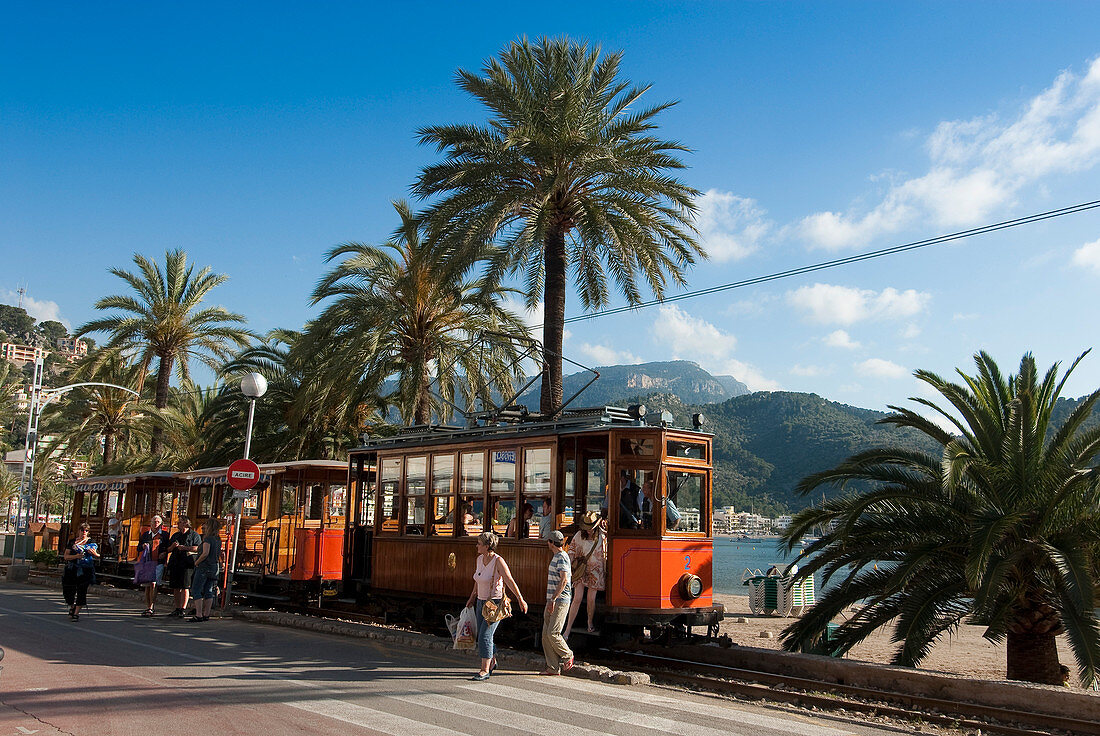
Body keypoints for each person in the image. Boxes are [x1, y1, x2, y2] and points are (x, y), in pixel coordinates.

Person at [466, 531, 527, 681]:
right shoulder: (480, 559)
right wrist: (472, 597)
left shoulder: (498, 561)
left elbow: (509, 580)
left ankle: (484, 670)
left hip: (494, 603)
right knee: (482, 635)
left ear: (487, 546)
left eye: (479, 544)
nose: (476, 546)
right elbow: (478, 579)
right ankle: (492, 660)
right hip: (481, 601)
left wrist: (520, 599)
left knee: (485, 635)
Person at [564, 510, 606, 637]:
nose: (589, 531)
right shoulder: (579, 535)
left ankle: (589, 622)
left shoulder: (602, 536)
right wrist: (569, 568)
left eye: (591, 528)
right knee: (577, 598)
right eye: (587, 528)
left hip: (595, 571)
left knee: (591, 599)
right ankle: (568, 628)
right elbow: (571, 551)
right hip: (582, 570)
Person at [540, 530, 574, 675]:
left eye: (548, 541)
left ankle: (567, 655)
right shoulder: (557, 556)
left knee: (553, 633)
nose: (547, 543)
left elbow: (564, 579)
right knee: (545, 635)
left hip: (559, 600)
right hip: (552, 600)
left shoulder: (561, 557)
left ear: (552, 543)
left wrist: (553, 599)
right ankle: (552, 667)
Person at [165, 516, 202, 618]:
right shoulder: (176, 535)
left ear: (186, 523)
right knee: (176, 587)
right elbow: (167, 549)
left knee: (185, 587)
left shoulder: (194, 535)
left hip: (187, 564)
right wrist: (173, 547)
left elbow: (197, 548)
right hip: (176, 562)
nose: (178, 524)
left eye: (180, 522)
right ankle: (177, 608)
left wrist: (185, 548)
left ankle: (183, 608)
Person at [62, 522, 99, 621]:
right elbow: (66, 556)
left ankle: (76, 613)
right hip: (72, 569)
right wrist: (76, 556)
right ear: (78, 531)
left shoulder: (91, 542)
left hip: (85, 570)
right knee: (68, 591)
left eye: (86, 530)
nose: (84, 532)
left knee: (82, 590)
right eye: (82, 530)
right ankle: (72, 606)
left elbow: (98, 555)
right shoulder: (72, 542)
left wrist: (94, 553)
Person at [188, 517, 222, 622]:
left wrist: (196, 562)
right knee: (209, 590)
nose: (204, 526)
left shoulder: (208, 539)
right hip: (214, 567)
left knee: (197, 590)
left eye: (206, 524)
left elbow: (205, 553)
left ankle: (199, 614)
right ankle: (206, 614)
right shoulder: (218, 539)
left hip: (204, 567)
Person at [137, 514, 170, 616]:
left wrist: (164, 553)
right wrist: (143, 546)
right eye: (154, 522)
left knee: (154, 583)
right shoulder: (146, 535)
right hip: (147, 563)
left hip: (158, 563)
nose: (156, 524)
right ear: (150, 523)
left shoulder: (165, 535)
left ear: (161, 524)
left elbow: (168, 548)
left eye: (158, 522)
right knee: (147, 585)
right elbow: (138, 548)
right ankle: (148, 606)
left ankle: (152, 606)